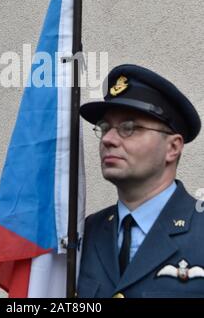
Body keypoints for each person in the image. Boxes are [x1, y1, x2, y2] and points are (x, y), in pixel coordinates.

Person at [77, 64, 204, 298]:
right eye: (104, 127)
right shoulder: (85, 235)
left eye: (129, 127)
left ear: (173, 148)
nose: (108, 139)